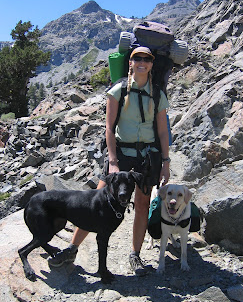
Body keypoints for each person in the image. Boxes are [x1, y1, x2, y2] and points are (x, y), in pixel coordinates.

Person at [49, 46, 170, 276]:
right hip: (121, 154)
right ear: (130, 62)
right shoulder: (118, 91)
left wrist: (166, 162)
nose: (142, 62)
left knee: (142, 205)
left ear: (152, 64)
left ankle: (135, 255)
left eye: (147, 59)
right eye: (137, 58)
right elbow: (109, 128)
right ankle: (72, 248)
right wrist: (112, 160)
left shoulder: (158, 94)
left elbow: (163, 132)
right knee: (96, 201)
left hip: (147, 157)